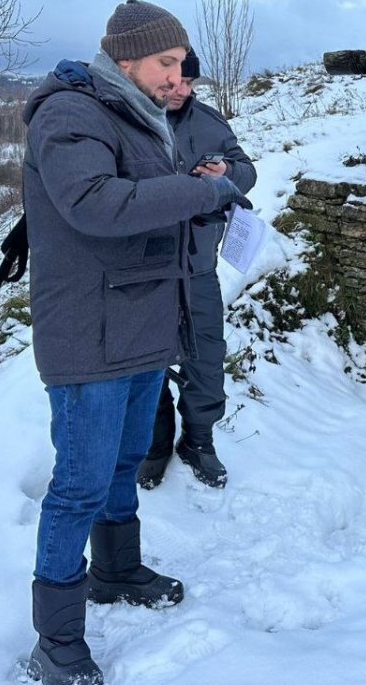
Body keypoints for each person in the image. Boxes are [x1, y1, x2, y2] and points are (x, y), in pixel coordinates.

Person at [22, 0, 252, 685]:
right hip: (88, 332)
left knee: (124, 463)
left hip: (144, 323)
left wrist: (213, 182)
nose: (179, 77)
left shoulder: (139, 115)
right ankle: (55, 641)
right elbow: (95, 204)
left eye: (181, 63)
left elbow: (204, 176)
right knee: (79, 486)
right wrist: (196, 192)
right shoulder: (70, 114)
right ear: (126, 59)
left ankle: (117, 572)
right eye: (167, 63)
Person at [137, 50, 256, 490]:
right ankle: (154, 445)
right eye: (173, 83)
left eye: (189, 84)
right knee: (148, 360)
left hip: (199, 266)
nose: (180, 92)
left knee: (206, 357)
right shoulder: (132, 122)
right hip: (146, 269)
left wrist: (227, 171)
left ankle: (199, 441)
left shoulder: (209, 121)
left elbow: (246, 171)